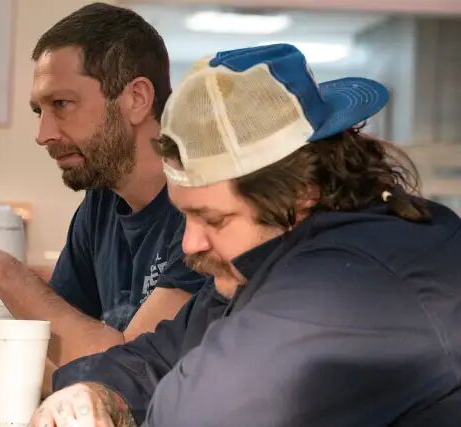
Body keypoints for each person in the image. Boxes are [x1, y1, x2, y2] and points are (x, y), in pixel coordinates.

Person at [30, 44, 461, 426]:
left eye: (214, 219)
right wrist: (96, 392)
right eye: (185, 216)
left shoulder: (356, 284)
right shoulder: (264, 255)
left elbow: (197, 413)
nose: (189, 244)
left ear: (301, 192)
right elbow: (159, 355)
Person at [0, 3, 205, 376]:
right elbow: (52, 356)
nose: (43, 134)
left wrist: (1, 271)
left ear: (137, 99)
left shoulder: (204, 217)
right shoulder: (100, 205)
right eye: (39, 111)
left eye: (61, 104)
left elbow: (130, 370)